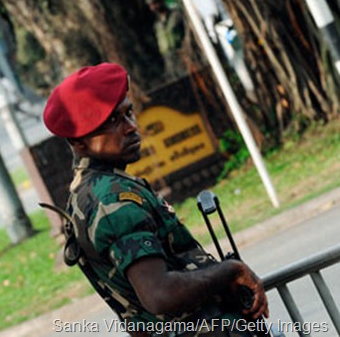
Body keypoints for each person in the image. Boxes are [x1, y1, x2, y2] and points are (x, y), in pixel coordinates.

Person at [42, 63, 269, 336]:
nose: (130, 127)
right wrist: (231, 271)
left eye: (128, 113)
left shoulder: (88, 191)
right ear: (80, 142)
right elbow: (160, 294)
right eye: (112, 121)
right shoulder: (112, 199)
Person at [145, 0, 186, 79]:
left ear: (161, 1)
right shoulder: (157, 24)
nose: (154, 7)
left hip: (182, 55)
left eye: (155, 3)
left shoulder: (176, 15)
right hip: (169, 61)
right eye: (151, 5)